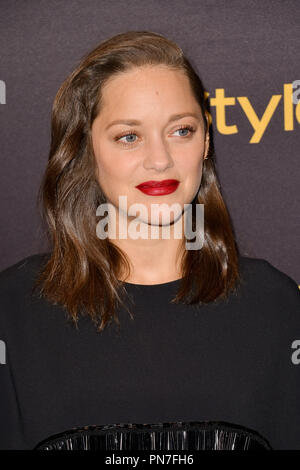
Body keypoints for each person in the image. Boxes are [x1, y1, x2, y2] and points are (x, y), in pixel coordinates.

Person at [0, 30, 299, 451]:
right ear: (85, 149)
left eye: (181, 130)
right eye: (129, 136)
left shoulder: (275, 305)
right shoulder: (13, 311)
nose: (160, 159)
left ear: (207, 139)